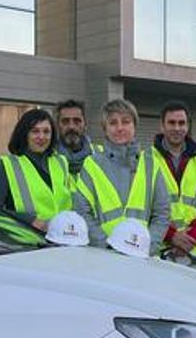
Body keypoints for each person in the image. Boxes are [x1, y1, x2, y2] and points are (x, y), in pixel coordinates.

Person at [73, 99, 171, 249]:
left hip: (142, 255)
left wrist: (147, 246)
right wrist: (104, 244)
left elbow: (162, 213)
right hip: (104, 254)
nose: (120, 128)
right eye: (113, 123)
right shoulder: (92, 164)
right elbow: (83, 211)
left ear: (135, 126)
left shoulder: (152, 164)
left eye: (126, 122)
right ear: (105, 129)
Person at [151, 101, 196, 263]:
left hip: (194, 249)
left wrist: (190, 238)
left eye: (181, 123)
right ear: (162, 126)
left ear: (188, 126)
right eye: (171, 123)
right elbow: (142, 206)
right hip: (158, 248)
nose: (177, 128)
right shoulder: (146, 160)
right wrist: (171, 236)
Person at [0, 109, 73, 232]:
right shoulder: (8, 164)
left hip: (62, 237)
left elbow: (70, 203)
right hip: (26, 240)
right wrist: (28, 220)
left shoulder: (61, 162)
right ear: (24, 134)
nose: (41, 137)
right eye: (35, 131)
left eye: (46, 132)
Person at [55, 100, 94, 176]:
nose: (71, 127)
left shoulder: (99, 155)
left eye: (77, 121)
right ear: (57, 125)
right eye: (65, 121)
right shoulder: (48, 158)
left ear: (85, 124)